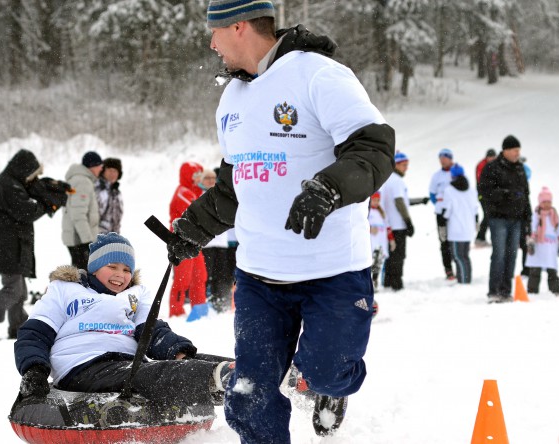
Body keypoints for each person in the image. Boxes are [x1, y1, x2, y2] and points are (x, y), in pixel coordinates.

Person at [166, 2, 395, 440]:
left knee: (325, 372)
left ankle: (333, 387)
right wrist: (190, 231)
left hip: (332, 270)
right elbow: (236, 187)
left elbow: (373, 146)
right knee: (250, 394)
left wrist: (328, 188)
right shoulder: (231, 98)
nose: (211, 44)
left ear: (238, 27)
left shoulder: (319, 75)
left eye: (214, 32)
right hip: (259, 277)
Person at [13, 232, 234, 408]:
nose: (121, 274)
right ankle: (220, 380)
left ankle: (244, 373)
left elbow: (152, 331)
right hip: (81, 365)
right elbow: (35, 333)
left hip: (127, 362)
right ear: (94, 267)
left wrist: (178, 352)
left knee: (181, 361)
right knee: (151, 375)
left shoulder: (135, 295)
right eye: (112, 267)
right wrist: (35, 370)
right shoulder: (65, 289)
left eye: (127, 269)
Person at [0, 149, 69, 341]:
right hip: (5, 245)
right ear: (23, 170)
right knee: (13, 288)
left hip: (9, 243)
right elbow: (27, 211)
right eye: (31, 175)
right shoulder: (8, 185)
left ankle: (18, 327)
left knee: (20, 290)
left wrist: (44, 189)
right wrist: (49, 204)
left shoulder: (12, 182)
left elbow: (27, 203)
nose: (31, 179)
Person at [478, 135, 531, 303]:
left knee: (512, 255)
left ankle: (506, 291)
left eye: (519, 151)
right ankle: (494, 290)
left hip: (516, 219)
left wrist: (527, 217)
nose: (517, 154)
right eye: (515, 150)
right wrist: (506, 195)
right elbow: (485, 192)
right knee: (499, 254)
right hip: (498, 218)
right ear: (506, 150)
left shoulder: (520, 169)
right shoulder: (492, 168)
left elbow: (525, 194)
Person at [168, 162, 207, 317]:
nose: (198, 178)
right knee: (182, 279)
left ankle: (199, 309)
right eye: (195, 175)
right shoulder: (183, 193)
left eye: (199, 175)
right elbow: (198, 215)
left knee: (200, 275)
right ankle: (176, 311)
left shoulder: (194, 192)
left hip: (194, 242)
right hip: (181, 242)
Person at [199, 169, 237, 312]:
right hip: (206, 243)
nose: (210, 180)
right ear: (202, 181)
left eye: (212, 178)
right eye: (207, 178)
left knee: (222, 275)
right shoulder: (199, 196)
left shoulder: (222, 196)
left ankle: (220, 302)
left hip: (222, 243)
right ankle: (205, 302)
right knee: (206, 275)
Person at [62, 151, 103, 270]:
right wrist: (87, 242)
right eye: (99, 165)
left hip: (77, 238)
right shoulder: (82, 182)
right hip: (79, 240)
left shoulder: (80, 179)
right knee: (82, 277)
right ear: (92, 166)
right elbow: (78, 214)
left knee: (79, 275)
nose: (101, 169)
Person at [441, 164, 479, 284]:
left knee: (457, 256)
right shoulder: (471, 190)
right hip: (468, 228)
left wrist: (442, 221)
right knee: (465, 256)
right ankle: (465, 278)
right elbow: (475, 209)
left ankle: (463, 281)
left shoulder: (449, 190)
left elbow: (447, 211)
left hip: (455, 229)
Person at [381, 152, 413, 291]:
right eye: (404, 165)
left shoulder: (387, 179)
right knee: (399, 255)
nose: (406, 168)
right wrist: (408, 222)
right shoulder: (397, 181)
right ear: (397, 165)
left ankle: (388, 281)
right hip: (398, 225)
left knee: (391, 255)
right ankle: (396, 283)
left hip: (388, 224)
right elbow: (399, 202)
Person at [525, 187, 559, 295]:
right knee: (535, 270)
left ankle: (555, 290)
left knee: (552, 270)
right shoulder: (536, 215)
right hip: (538, 247)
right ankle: (532, 290)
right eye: (544, 202)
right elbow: (532, 230)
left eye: (549, 202)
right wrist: (531, 243)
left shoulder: (554, 215)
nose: (547, 204)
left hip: (551, 247)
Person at [429, 148, 456, 280]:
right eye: (440, 159)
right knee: (444, 241)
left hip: (455, 214)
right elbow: (432, 194)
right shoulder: (436, 176)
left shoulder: (456, 172)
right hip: (441, 214)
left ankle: (459, 265)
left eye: (444, 158)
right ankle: (448, 269)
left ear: (450, 159)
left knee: (456, 240)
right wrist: (441, 206)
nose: (442, 161)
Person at [368, 191, 395, 290]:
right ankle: (368, 282)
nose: (376, 202)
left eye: (378, 200)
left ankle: (375, 281)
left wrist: (391, 240)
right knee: (371, 262)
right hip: (371, 242)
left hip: (380, 242)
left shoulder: (381, 212)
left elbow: (387, 227)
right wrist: (370, 229)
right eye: (374, 200)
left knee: (378, 262)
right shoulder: (367, 212)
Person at [95, 157, 124, 234]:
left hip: (113, 236)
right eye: (110, 170)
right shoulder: (98, 190)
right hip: (98, 237)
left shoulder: (116, 192)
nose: (112, 174)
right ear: (103, 171)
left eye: (115, 171)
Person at [475, 148, 497, 246]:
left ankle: (482, 237)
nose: (491, 159)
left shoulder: (496, 164)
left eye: (493, 157)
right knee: (488, 215)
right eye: (490, 157)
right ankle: (480, 238)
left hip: (492, 195)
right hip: (483, 195)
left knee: (490, 215)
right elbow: (482, 182)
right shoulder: (481, 165)